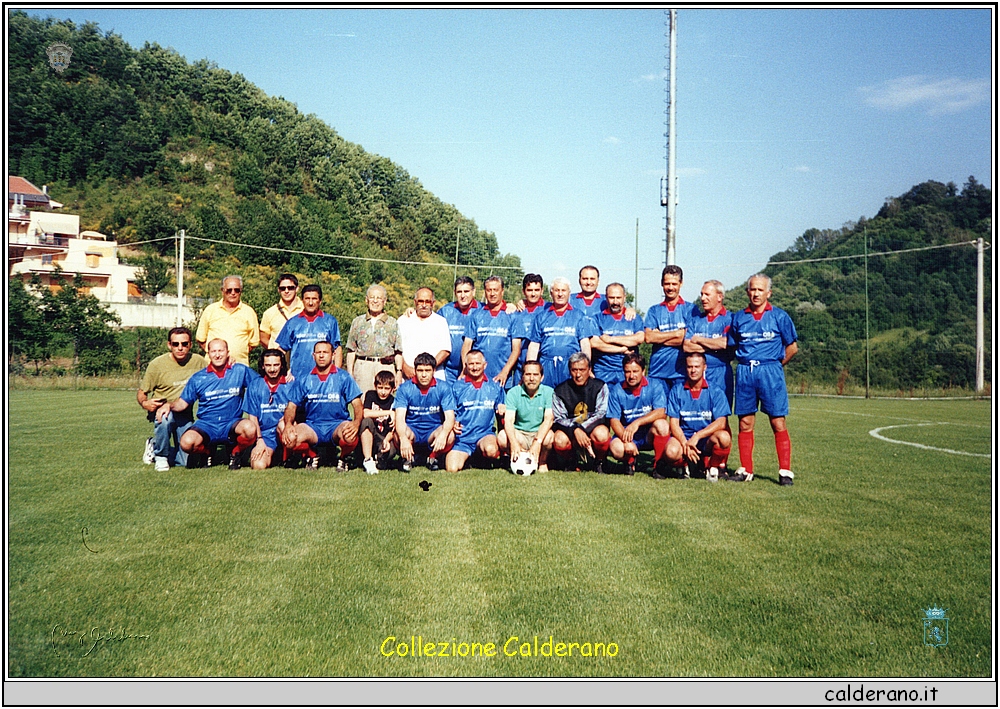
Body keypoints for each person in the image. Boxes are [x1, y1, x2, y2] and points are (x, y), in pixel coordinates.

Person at [727, 273, 798, 485]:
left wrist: (775, 365)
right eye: (752, 289)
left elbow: (792, 348)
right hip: (746, 373)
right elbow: (732, 345)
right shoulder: (739, 318)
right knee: (745, 422)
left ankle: (785, 471)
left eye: (760, 290)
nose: (756, 293)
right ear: (747, 291)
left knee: (777, 421)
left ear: (769, 292)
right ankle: (745, 469)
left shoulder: (780, 316)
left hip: (770, 372)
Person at [169, 338, 258, 468]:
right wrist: (167, 406)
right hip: (207, 424)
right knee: (186, 443)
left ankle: (235, 453)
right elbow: (182, 403)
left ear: (228, 352)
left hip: (231, 422)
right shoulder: (198, 378)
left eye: (221, 351)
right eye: (213, 351)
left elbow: (260, 385)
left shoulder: (240, 370)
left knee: (250, 429)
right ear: (208, 354)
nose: (217, 355)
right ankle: (207, 452)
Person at [281, 341, 363, 471]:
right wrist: (289, 424)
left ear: (333, 354)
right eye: (318, 352)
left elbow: (357, 404)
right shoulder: (304, 378)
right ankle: (313, 456)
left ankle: (343, 458)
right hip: (313, 426)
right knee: (290, 439)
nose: (321, 356)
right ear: (313, 355)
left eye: (325, 352)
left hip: (337, 424)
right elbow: (291, 406)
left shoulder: (343, 377)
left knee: (350, 435)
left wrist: (356, 423)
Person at [137, 327, 206, 472]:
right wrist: (145, 403)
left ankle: (154, 446)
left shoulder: (198, 362)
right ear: (169, 345)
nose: (180, 348)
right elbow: (142, 392)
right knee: (165, 420)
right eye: (176, 344)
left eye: (184, 344)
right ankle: (161, 456)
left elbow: (216, 371)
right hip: (162, 411)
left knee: (186, 461)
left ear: (190, 345)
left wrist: (230, 361)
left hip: (184, 412)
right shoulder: (157, 365)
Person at [664, 352, 732, 482]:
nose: (693, 370)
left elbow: (721, 422)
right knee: (670, 452)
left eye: (697, 366)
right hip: (684, 437)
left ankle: (711, 467)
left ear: (704, 367)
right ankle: (683, 467)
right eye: (690, 367)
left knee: (724, 437)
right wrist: (685, 443)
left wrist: (698, 436)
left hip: (705, 439)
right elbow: (673, 424)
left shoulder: (716, 391)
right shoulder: (677, 390)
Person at [606, 352, 671, 476]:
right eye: (627, 372)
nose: (631, 376)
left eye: (635, 371)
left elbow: (661, 412)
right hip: (627, 435)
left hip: (648, 434)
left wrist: (637, 422)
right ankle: (629, 462)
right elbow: (614, 420)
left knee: (662, 424)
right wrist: (626, 442)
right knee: (616, 448)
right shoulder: (617, 390)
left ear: (643, 371)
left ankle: (658, 465)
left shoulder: (655, 385)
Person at [393, 352, 457, 473]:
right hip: (413, 430)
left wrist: (443, 435)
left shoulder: (443, 387)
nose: (423, 375)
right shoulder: (405, 388)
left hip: (432, 432)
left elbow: (450, 417)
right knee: (398, 435)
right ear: (415, 371)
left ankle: (433, 458)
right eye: (420, 370)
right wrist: (403, 438)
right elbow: (399, 418)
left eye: (427, 370)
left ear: (434, 370)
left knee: (450, 435)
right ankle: (408, 459)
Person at [526, 276, 595, 388]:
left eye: (563, 290)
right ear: (551, 293)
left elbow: (585, 344)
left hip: (570, 366)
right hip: (547, 365)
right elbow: (534, 345)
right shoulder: (541, 317)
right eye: (557, 290)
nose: (560, 294)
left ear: (569, 293)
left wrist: (586, 368)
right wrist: (529, 369)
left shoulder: (578, 316)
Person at [445, 349, 506, 472]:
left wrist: (502, 408)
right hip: (462, 438)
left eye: (478, 363)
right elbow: (449, 413)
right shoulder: (456, 387)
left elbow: (503, 412)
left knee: (491, 450)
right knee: (451, 468)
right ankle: (468, 458)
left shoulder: (495, 386)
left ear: (485, 365)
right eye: (471, 364)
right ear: (466, 366)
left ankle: (480, 457)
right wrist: (453, 423)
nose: (474, 367)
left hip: (484, 435)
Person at [551, 352, 611, 472]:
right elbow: (559, 418)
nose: (578, 374)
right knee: (559, 439)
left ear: (589, 370)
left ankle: (599, 461)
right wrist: (575, 430)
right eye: (574, 370)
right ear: (569, 370)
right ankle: (571, 460)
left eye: (582, 370)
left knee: (602, 434)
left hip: (592, 429)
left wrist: (582, 429)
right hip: (570, 431)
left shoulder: (600, 386)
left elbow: (601, 413)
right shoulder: (560, 391)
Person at [461, 275, 521, 390]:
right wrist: (466, 368)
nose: (492, 293)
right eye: (489, 290)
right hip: (478, 376)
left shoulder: (512, 316)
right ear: (485, 292)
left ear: (502, 291)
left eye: (496, 290)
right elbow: (467, 345)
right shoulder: (476, 315)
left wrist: (505, 371)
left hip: (503, 378)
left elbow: (516, 349)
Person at [273, 284, 342, 381]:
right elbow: (281, 350)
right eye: (307, 299)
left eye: (314, 299)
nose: (310, 302)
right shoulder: (292, 323)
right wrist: (283, 371)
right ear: (302, 300)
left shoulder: (330, 321)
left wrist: (336, 373)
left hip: (323, 378)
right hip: (297, 378)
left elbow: (337, 348)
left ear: (320, 301)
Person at [683, 279, 735, 405]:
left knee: (720, 416)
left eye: (707, 294)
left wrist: (699, 339)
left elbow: (725, 343)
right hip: (696, 374)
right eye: (702, 294)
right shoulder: (696, 320)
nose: (703, 298)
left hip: (721, 373)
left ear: (719, 297)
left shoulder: (730, 318)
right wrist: (713, 345)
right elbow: (687, 346)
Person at [645, 265, 695, 391]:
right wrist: (678, 333)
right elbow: (649, 337)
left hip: (681, 372)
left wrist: (660, 336)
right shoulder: (654, 310)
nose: (670, 288)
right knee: (659, 410)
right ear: (662, 283)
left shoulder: (690, 309)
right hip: (658, 372)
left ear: (681, 283)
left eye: (674, 283)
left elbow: (689, 339)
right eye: (667, 284)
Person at [499, 360, 555, 473]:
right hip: (521, 434)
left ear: (542, 377)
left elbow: (549, 419)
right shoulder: (513, 392)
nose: (531, 378)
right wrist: (514, 443)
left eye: (535, 375)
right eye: (528, 374)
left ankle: (542, 461)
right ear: (522, 376)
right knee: (502, 437)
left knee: (549, 437)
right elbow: (509, 420)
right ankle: (519, 459)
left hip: (539, 433)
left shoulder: (549, 392)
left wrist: (537, 442)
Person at [345, 284, 402, 393]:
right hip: (363, 367)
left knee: (385, 405)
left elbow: (398, 351)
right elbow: (351, 350)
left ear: (384, 301)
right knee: (362, 402)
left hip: (385, 367)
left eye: (379, 298)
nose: (375, 301)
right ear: (366, 300)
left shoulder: (393, 323)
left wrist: (398, 372)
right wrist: (350, 374)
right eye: (372, 297)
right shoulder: (357, 322)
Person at [239, 349, 291, 471]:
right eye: (268, 365)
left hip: (284, 430)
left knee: (283, 425)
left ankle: (289, 456)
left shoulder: (290, 384)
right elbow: (252, 416)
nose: (272, 369)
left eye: (276, 365)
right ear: (262, 366)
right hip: (265, 435)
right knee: (258, 465)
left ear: (282, 365)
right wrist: (259, 440)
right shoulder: (255, 385)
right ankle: (275, 454)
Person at [195, 275, 260, 366]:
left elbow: (253, 343)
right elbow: (201, 339)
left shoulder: (249, 312)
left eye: (236, 290)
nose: (233, 293)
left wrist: (237, 351)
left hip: (239, 366)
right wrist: (215, 354)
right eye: (229, 290)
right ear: (222, 291)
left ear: (240, 291)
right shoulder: (210, 310)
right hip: (213, 367)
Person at [590, 282, 645, 384]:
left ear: (624, 297)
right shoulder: (597, 318)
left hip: (627, 371)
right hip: (603, 371)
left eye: (618, 298)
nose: (615, 302)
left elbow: (639, 338)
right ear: (606, 298)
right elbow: (595, 343)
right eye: (611, 298)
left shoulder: (634, 318)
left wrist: (610, 339)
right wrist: (622, 349)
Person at [397, 287, 451, 381]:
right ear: (415, 302)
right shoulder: (403, 321)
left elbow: (445, 351)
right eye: (421, 301)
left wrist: (427, 370)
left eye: (428, 301)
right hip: (407, 377)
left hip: (434, 377)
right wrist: (405, 368)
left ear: (433, 303)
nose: (424, 305)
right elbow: (396, 349)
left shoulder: (440, 322)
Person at [437, 276, 480, 382]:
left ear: (473, 292)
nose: (463, 295)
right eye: (459, 292)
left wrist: (511, 306)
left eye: (466, 291)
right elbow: (429, 319)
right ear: (455, 293)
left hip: (473, 370)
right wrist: (412, 312)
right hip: (449, 370)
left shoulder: (482, 310)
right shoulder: (445, 311)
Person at [510, 273, 548, 383]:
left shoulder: (548, 309)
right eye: (529, 290)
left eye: (536, 290)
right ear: (524, 291)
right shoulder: (518, 312)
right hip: (520, 368)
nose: (533, 294)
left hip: (543, 367)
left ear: (542, 290)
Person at [359, 370, 397, 475]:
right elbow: (365, 413)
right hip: (371, 434)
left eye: (387, 388)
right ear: (375, 386)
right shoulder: (371, 395)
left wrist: (387, 440)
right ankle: (368, 459)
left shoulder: (394, 401)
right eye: (380, 388)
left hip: (383, 436)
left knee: (391, 451)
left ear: (393, 389)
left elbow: (393, 427)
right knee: (366, 421)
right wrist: (389, 412)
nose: (383, 392)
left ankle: (379, 460)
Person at [258, 274, 303, 348]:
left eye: (290, 288)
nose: (286, 291)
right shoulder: (269, 313)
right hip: (278, 358)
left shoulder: (305, 310)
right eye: (283, 288)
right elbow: (263, 337)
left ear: (297, 288)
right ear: (278, 290)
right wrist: (275, 351)